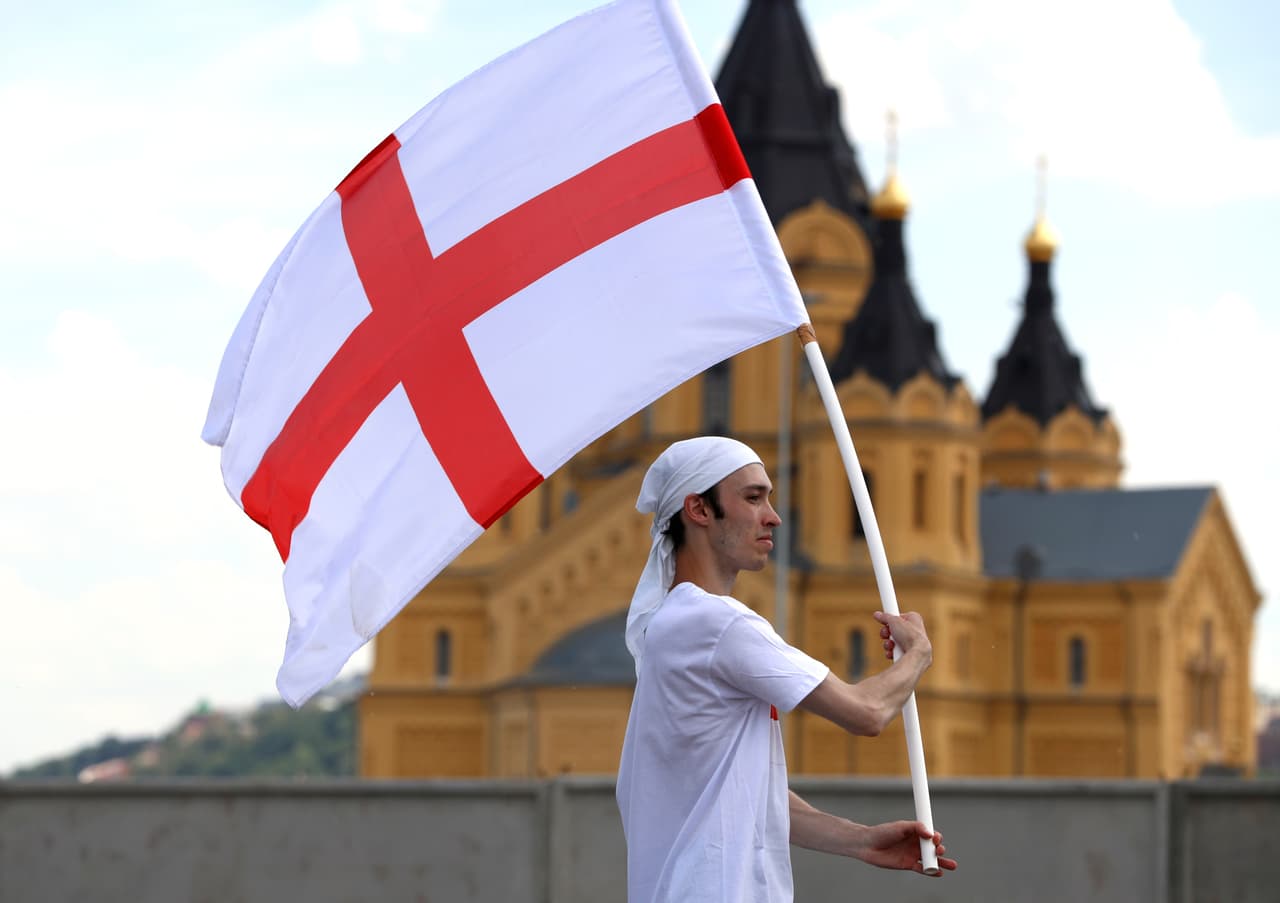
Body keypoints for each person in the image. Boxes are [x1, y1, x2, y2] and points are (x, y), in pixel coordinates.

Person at [616, 436, 957, 902]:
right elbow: (868, 712)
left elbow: (752, 793)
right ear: (698, 509)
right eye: (753, 497)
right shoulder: (717, 624)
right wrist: (918, 651)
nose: (773, 516)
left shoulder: (677, 624)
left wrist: (862, 840)